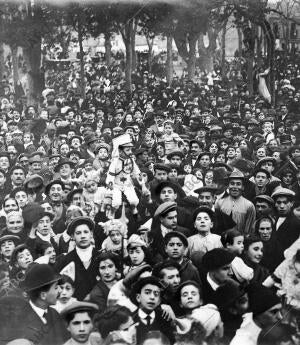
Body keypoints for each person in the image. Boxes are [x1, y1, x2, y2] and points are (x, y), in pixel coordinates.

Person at [3, 263, 69, 345]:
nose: (60, 290)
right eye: (56, 287)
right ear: (43, 295)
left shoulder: (54, 314)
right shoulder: (18, 320)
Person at [55, 217, 99, 300]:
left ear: (91, 234)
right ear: (72, 236)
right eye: (78, 233)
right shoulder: (65, 261)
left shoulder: (100, 257)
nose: (83, 236)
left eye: (86, 232)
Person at [215, 170, 256, 235]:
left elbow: (249, 230)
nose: (235, 187)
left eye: (238, 184)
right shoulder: (219, 203)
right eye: (232, 183)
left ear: (243, 187)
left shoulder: (249, 206)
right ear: (228, 186)